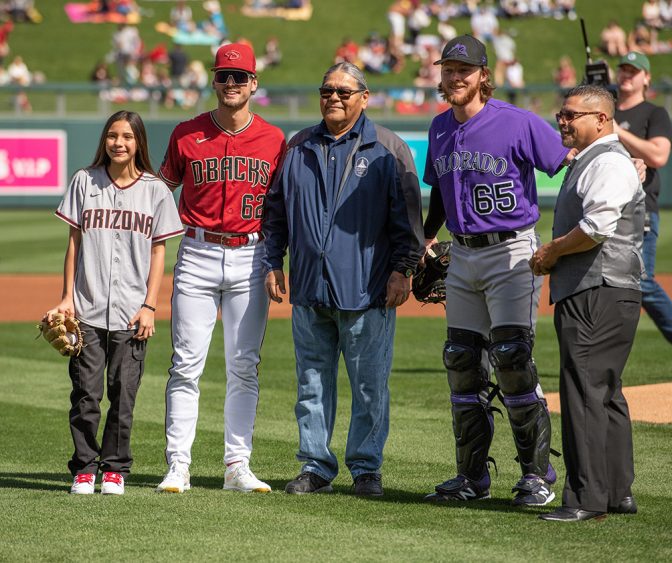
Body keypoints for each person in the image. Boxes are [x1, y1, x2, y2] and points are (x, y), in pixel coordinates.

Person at [421, 34, 573, 506]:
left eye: (464, 70)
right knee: (462, 362)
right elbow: (440, 193)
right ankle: (472, 478)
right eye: (448, 69)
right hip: (462, 254)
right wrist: (428, 236)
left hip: (511, 253)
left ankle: (538, 473)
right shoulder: (439, 127)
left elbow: (567, 164)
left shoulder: (518, 123)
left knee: (511, 358)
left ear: (484, 75)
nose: (455, 77)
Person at [263, 62, 424, 497]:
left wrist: (403, 269)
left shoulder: (388, 147)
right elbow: (274, 213)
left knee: (370, 386)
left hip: (367, 288)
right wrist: (272, 261)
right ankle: (315, 465)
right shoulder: (298, 146)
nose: (334, 97)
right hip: (310, 287)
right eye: (327, 89)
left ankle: (366, 467)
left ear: (364, 97)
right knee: (311, 385)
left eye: (344, 92)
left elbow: (408, 220)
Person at [155, 43, 287, 494]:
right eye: (223, 76)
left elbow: (279, 211)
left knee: (244, 365)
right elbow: (158, 196)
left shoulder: (273, 139)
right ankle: (178, 464)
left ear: (254, 82)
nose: (230, 84)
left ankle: (237, 465)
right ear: (213, 81)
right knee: (186, 365)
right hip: (197, 253)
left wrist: (275, 260)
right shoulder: (186, 133)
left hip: (251, 256)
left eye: (239, 77)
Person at [46, 110, 184, 495]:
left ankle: (116, 469)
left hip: (132, 311)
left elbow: (160, 252)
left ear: (139, 142)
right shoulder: (84, 181)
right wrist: (66, 297)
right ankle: (85, 468)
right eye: (112, 135)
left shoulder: (155, 189)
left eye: (127, 136)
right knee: (86, 394)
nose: (118, 143)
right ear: (104, 140)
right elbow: (74, 242)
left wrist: (150, 305)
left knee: (124, 394)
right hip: (87, 309)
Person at [531, 84, 644, 522]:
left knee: (583, 393)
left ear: (601, 119)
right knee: (606, 392)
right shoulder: (602, 161)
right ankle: (616, 491)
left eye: (571, 114)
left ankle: (585, 498)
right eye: (561, 113)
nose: (562, 121)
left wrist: (552, 252)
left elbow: (596, 227)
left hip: (597, 290)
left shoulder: (607, 161)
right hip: (607, 290)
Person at [613, 51, 672, 381]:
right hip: (602, 209)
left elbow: (659, 154)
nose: (627, 76)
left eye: (634, 71)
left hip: (640, 208)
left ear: (646, 78)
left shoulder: (654, 112)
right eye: (623, 69)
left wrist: (618, 132)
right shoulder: (604, 108)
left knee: (641, 280)